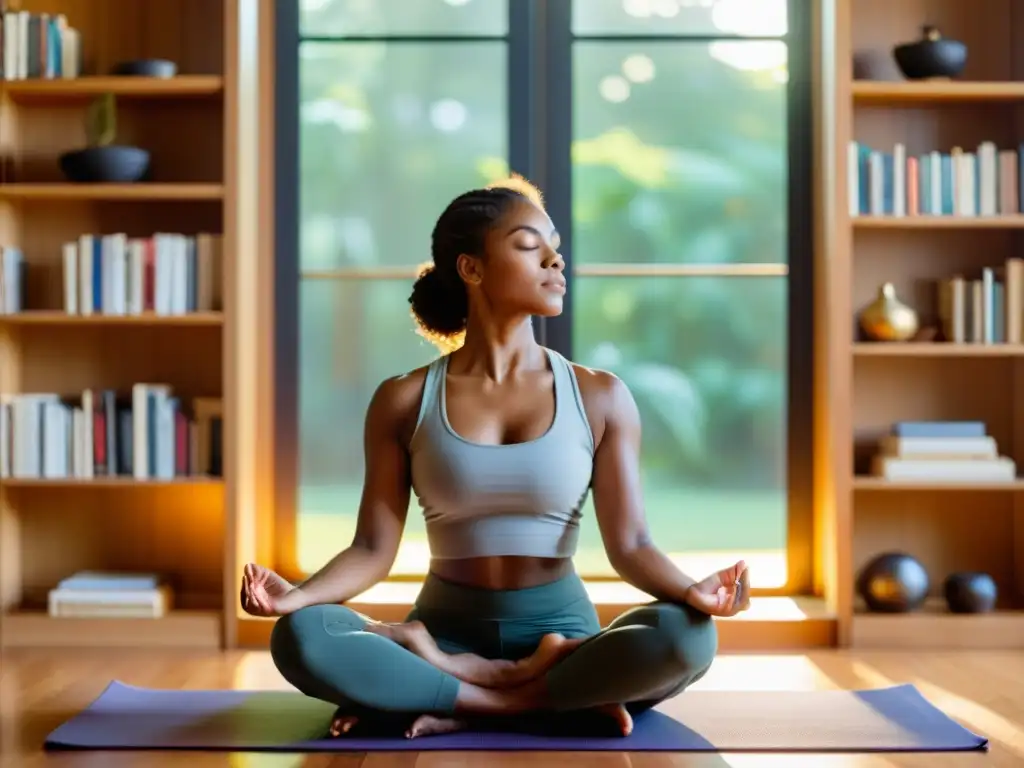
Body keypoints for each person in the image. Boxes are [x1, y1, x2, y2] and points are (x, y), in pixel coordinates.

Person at [240, 175, 751, 740]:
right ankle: (545, 697)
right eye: (531, 246)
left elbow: (631, 546)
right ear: (472, 269)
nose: (557, 259)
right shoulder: (404, 399)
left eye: (555, 246)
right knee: (301, 637)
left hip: (564, 637)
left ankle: (451, 691)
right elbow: (371, 548)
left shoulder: (600, 396)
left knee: (688, 636)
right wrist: (300, 595)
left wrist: (690, 592)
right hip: (443, 629)